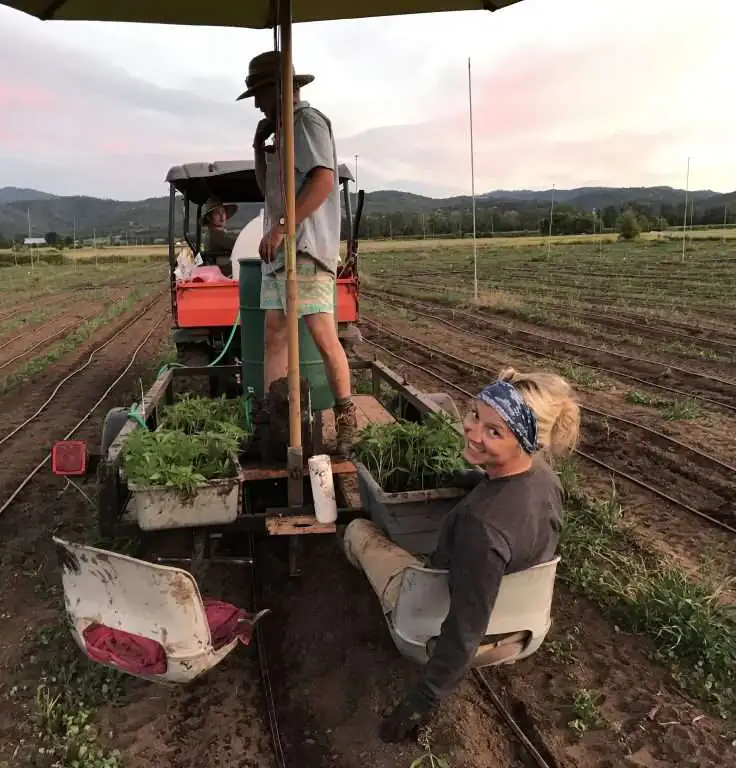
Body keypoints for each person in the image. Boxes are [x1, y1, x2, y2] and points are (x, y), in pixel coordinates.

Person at [369, 368, 581, 743]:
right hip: (526, 622)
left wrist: (422, 701)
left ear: (524, 442)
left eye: (493, 431)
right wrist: (472, 479)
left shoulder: (480, 526)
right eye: (474, 415)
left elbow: (465, 628)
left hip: (442, 627)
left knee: (359, 533)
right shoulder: (546, 479)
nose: (472, 430)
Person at [237, 50, 358, 454]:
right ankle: (272, 417)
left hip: (303, 249)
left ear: (278, 90)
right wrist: (259, 148)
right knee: (274, 336)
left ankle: (346, 424)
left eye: (259, 94)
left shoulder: (306, 122)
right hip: (283, 254)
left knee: (321, 333)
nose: (256, 104)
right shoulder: (283, 133)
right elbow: (267, 188)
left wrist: (285, 228)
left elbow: (323, 180)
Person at [201, 196, 239, 276]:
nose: (222, 216)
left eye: (223, 212)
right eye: (217, 213)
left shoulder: (216, 234)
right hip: (222, 274)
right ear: (209, 217)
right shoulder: (215, 235)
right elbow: (237, 243)